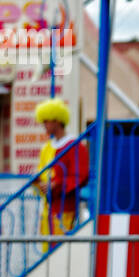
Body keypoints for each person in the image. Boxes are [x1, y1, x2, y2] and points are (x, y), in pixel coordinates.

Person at [35, 99, 89, 241]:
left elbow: (81, 176)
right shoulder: (47, 147)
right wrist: (37, 182)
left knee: (60, 249)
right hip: (48, 210)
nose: (43, 125)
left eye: (46, 121)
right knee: (47, 252)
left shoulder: (75, 146)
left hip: (66, 211)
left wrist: (56, 184)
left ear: (57, 121)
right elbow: (42, 173)